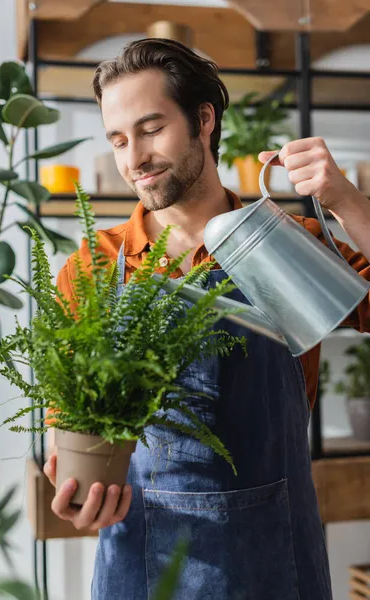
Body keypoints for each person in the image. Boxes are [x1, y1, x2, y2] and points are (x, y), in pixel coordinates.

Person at [43, 39, 370, 600]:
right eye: (118, 140)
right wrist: (76, 488)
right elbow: (67, 427)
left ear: (203, 119)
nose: (134, 159)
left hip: (277, 563)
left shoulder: (288, 245)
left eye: (151, 129)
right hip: (142, 567)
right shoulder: (93, 267)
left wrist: (346, 201)